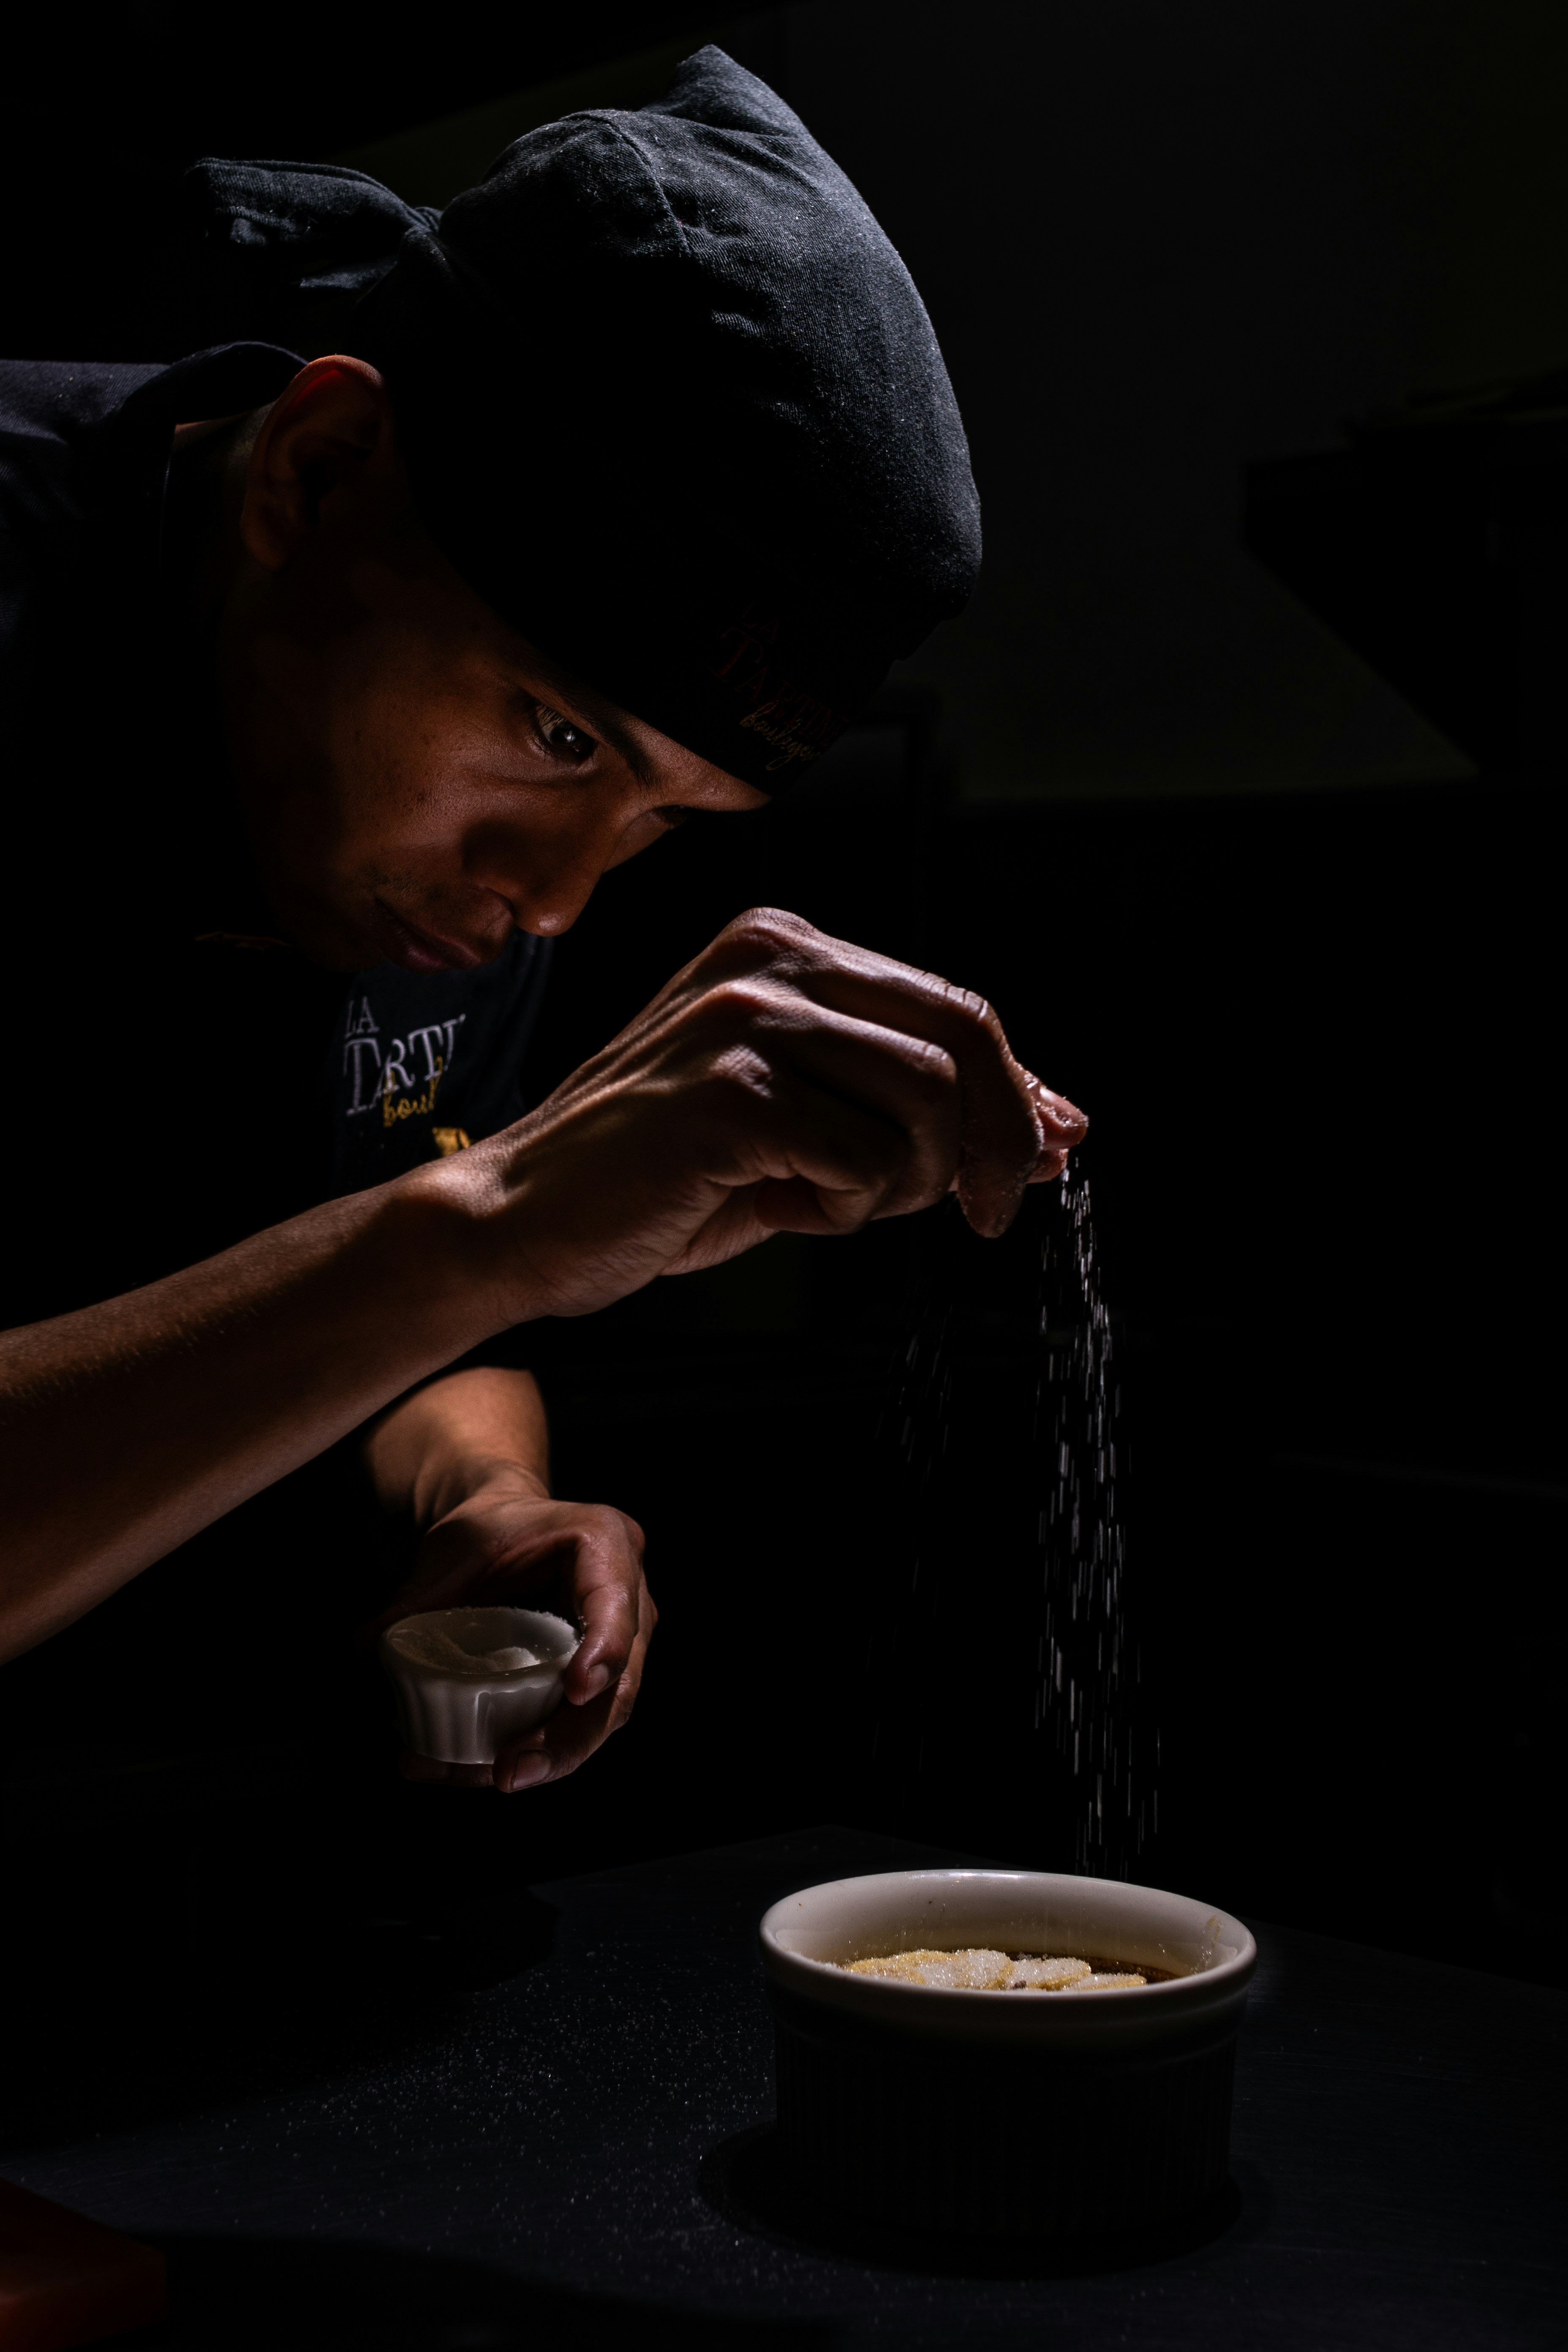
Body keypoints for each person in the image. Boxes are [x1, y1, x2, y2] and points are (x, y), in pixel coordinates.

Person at [0, 51, 1084, 1807]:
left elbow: (415, 1283)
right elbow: (439, 1242)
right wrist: (487, 1229)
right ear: (319, 472)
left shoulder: (451, 850)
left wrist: (479, 1499)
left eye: (657, 814)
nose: (564, 895)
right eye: (557, 734)